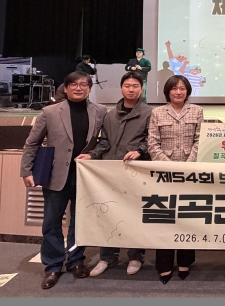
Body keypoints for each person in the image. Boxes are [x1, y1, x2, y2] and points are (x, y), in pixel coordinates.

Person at [19, 71, 107, 290]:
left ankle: (76, 261)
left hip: (85, 176)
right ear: (65, 88)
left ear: (89, 88)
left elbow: (104, 142)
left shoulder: (100, 111)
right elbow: (32, 143)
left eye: (84, 84)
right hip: (56, 175)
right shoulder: (49, 112)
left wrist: (92, 155)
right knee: (51, 222)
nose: (79, 88)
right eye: (74, 84)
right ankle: (53, 266)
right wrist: (26, 171)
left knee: (80, 222)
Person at [76, 71, 153, 277]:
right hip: (110, 172)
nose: (131, 89)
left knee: (135, 215)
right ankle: (107, 257)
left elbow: (151, 140)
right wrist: (92, 155)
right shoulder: (110, 115)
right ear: (121, 88)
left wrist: (140, 151)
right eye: (127, 86)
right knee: (108, 214)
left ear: (141, 89)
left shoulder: (149, 113)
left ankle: (135, 256)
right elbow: (105, 142)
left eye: (135, 86)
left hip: (135, 173)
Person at [147, 75, 204, 284]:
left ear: (187, 91)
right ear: (167, 91)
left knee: (187, 218)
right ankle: (163, 265)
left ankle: (185, 262)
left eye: (182, 88)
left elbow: (200, 140)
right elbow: (152, 143)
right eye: (174, 88)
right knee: (165, 218)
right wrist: (169, 166)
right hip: (164, 175)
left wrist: (188, 165)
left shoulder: (197, 111)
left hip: (190, 173)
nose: (178, 92)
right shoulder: (157, 112)